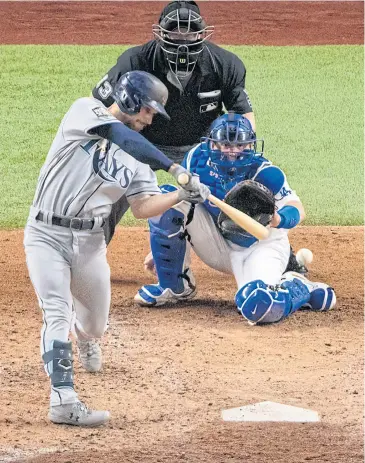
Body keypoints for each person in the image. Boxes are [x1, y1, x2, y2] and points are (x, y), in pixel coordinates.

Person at [23, 70, 210, 427]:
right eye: (148, 111)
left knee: (94, 322)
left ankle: (87, 339)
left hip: (91, 244)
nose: (149, 120)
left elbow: (142, 207)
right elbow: (118, 133)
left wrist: (179, 194)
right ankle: (63, 400)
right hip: (46, 234)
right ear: (128, 100)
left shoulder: (138, 159)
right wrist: (173, 166)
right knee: (56, 313)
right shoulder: (84, 112)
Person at [134, 113, 336, 325]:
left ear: (250, 145)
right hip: (217, 241)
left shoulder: (265, 173)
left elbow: (298, 209)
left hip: (260, 246)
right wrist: (165, 245)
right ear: (213, 143)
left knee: (260, 306)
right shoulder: (196, 159)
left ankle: (298, 287)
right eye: (225, 144)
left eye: (240, 145)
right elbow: (186, 207)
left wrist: (278, 219)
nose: (232, 151)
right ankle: (175, 286)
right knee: (169, 199)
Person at [92, 0, 256, 245]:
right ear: (161, 34)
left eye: (189, 33)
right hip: (142, 144)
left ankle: (274, 255)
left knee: (249, 189)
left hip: (200, 147)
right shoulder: (135, 61)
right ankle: (90, 253)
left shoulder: (225, 64)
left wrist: (238, 157)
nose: (183, 40)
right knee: (110, 188)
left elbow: (243, 116)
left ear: (201, 34)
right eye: (175, 32)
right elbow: (101, 107)